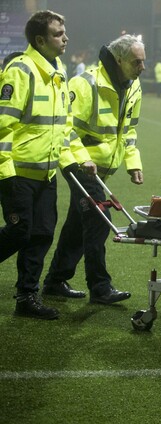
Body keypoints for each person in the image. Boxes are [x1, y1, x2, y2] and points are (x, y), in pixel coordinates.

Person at [42, 34, 146, 305]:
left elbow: (129, 130)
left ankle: (55, 280)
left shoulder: (133, 86)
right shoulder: (85, 84)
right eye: (137, 62)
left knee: (78, 222)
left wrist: (133, 163)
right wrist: (81, 159)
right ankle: (100, 287)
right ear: (119, 60)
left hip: (100, 168)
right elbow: (64, 128)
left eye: (143, 62)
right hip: (77, 162)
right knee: (99, 217)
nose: (142, 68)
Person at [0, 10, 87, 319]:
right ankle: (27, 295)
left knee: (41, 234)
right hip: (18, 173)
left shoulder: (58, 71)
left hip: (46, 174)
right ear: (40, 40)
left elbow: (63, 126)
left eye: (64, 32)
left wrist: (77, 160)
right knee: (19, 232)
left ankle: (26, 298)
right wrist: (5, 173)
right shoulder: (21, 70)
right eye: (57, 34)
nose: (65, 38)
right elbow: (3, 126)